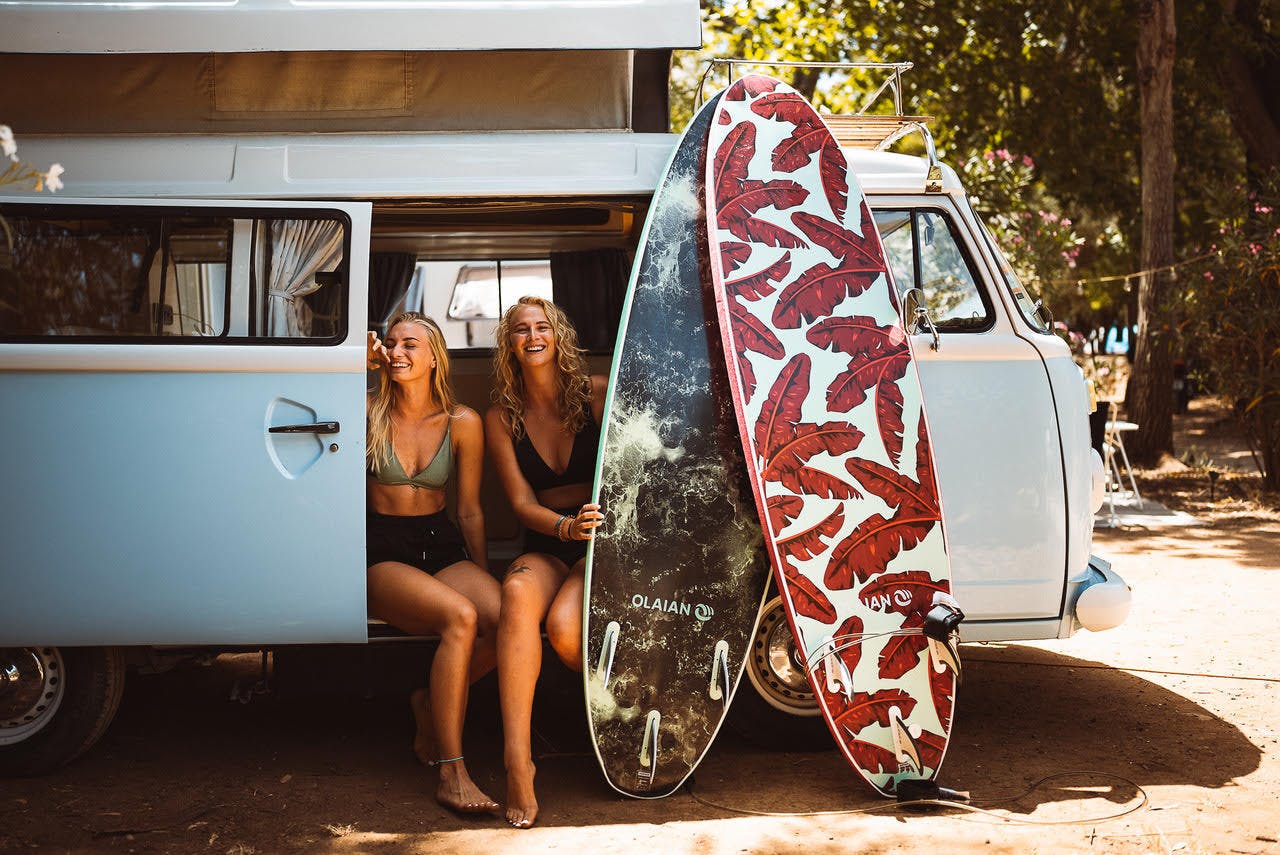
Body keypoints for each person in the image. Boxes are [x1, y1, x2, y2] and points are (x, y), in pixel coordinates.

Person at [366, 311, 501, 814]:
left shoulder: (462, 422)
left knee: (507, 621)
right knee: (460, 618)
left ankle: (429, 702)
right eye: (392, 344)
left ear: (434, 358)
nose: (398, 352)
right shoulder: (366, 412)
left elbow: (468, 509)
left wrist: (483, 573)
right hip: (383, 549)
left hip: (440, 543)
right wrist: (362, 359)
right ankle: (452, 770)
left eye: (410, 346)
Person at [485, 296, 606, 829]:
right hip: (548, 535)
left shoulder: (597, 394)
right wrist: (562, 527)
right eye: (519, 330)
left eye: (541, 327)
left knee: (562, 629)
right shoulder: (500, 416)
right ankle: (518, 764)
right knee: (515, 594)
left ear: (557, 335)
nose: (532, 337)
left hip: (600, 539)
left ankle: (626, 716)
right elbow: (518, 502)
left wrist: (586, 529)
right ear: (508, 345)